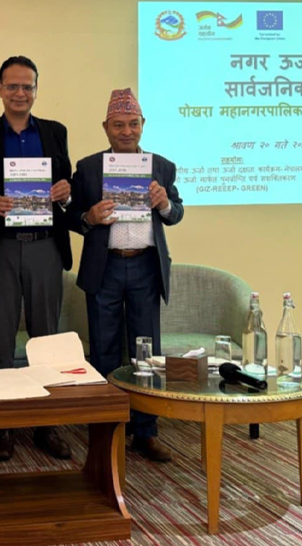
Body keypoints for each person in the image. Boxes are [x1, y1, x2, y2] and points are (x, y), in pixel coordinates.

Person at [0, 56, 73, 461]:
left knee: (47, 340)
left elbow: (67, 183)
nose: (20, 93)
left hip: (45, 245)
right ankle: (1, 426)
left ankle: (46, 425)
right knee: (1, 339)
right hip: (1, 246)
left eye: (27, 86)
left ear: (36, 90)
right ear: (0, 89)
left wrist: (66, 192)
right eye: (13, 86)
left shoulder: (55, 132)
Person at [69, 88, 184, 462]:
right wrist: (90, 217)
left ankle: (145, 431)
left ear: (143, 125)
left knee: (146, 352)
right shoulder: (89, 168)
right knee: (103, 349)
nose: (126, 131)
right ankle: (108, 429)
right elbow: (72, 217)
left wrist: (164, 204)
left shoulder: (161, 166)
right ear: (106, 127)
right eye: (118, 125)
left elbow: (177, 211)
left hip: (146, 267)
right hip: (105, 267)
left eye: (133, 124)